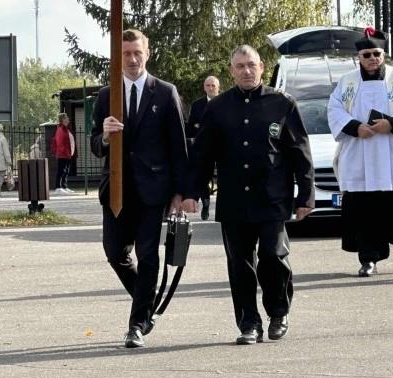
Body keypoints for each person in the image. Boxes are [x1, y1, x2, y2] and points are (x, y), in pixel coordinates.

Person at [183, 45, 314, 345]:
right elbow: (202, 155)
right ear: (231, 71)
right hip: (234, 201)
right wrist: (193, 192)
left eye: (251, 65)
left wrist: (305, 196)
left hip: (272, 198)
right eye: (239, 66)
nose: (246, 71)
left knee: (272, 256)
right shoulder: (216, 108)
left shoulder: (283, 104)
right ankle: (249, 323)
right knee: (239, 264)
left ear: (262, 67)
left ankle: (278, 312)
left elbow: (300, 153)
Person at [90, 28, 189, 348]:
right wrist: (104, 135)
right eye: (126, 54)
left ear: (147, 54)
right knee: (114, 253)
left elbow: (178, 146)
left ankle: (136, 325)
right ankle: (145, 305)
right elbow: (93, 144)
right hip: (117, 190)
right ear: (118, 58)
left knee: (148, 255)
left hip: (153, 189)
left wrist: (180, 192)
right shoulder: (106, 96)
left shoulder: (165, 92)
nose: (132, 59)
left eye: (137, 53)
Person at [327, 27, 393, 277]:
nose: (372, 59)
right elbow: (334, 109)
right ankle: (368, 258)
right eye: (366, 55)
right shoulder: (347, 81)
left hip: (390, 150)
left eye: (376, 54)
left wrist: (391, 124)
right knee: (363, 210)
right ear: (359, 57)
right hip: (359, 152)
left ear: (383, 54)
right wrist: (355, 127)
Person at [186, 76, 220, 220]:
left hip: (222, 145)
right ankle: (205, 200)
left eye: (213, 85)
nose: (210, 88)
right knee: (202, 174)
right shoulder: (197, 105)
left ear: (218, 87)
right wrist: (201, 132)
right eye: (208, 85)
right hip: (203, 146)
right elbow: (191, 126)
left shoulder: (225, 102)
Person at [53, 112, 77, 194]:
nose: (68, 118)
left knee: (66, 170)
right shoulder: (60, 129)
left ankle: (64, 186)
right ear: (63, 119)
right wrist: (63, 151)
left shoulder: (67, 129)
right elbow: (59, 142)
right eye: (66, 117)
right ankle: (58, 187)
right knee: (61, 170)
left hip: (68, 154)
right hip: (63, 154)